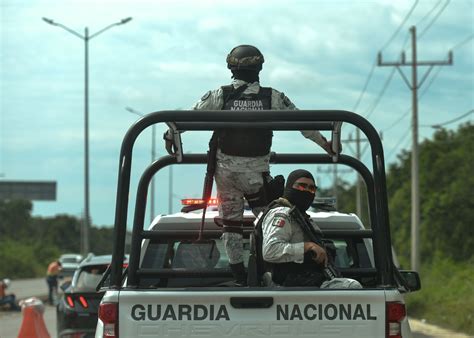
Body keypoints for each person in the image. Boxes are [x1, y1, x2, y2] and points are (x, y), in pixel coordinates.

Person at [164, 45, 335, 285]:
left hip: (225, 175)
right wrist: (326, 144)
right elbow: (303, 122)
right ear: (259, 68)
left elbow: (188, 118)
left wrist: (170, 135)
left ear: (231, 68)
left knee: (231, 225)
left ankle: (239, 276)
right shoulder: (272, 97)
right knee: (267, 221)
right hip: (256, 176)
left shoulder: (219, 95)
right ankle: (267, 269)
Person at [259, 169, 361, 288]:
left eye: (312, 188)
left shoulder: (301, 216)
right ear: (290, 187)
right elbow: (270, 250)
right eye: (302, 186)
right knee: (352, 287)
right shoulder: (282, 213)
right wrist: (308, 247)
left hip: (309, 283)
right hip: (288, 285)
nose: (307, 191)